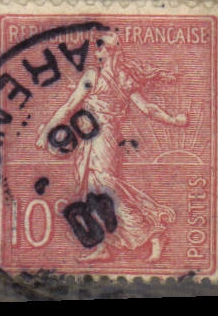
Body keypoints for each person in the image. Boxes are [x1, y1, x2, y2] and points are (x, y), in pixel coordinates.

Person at [35, 31, 187, 262]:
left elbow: (147, 109)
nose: (96, 52)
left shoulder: (122, 79)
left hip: (104, 139)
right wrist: (47, 130)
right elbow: (69, 107)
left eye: (101, 47)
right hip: (89, 139)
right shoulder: (94, 77)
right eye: (97, 48)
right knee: (90, 190)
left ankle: (153, 233)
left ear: (112, 50)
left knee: (105, 187)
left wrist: (173, 120)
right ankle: (105, 245)